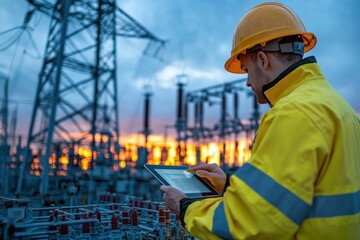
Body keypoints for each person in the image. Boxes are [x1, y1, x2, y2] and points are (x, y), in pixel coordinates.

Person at [160, 2, 360, 239]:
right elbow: (303, 193)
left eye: (246, 69)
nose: (246, 82)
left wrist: (186, 208)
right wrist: (229, 186)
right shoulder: (339, 107)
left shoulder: (292, 113)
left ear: (263, 60)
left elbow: (250, 226)